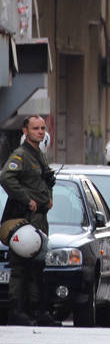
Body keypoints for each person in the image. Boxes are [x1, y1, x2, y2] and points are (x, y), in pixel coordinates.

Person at [0, 115, 60, 326]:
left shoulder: (39, 155)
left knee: (38, 266)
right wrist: (27, 200)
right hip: (25, 219)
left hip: (41, 219)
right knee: (20, 267)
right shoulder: (21, 155)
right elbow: (6, 177)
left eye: (43, 128)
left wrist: (49, 197)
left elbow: (46, 178)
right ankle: (17, 311)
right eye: (35, 128)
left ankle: (37, 311)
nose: (40, 132)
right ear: (26, 131)